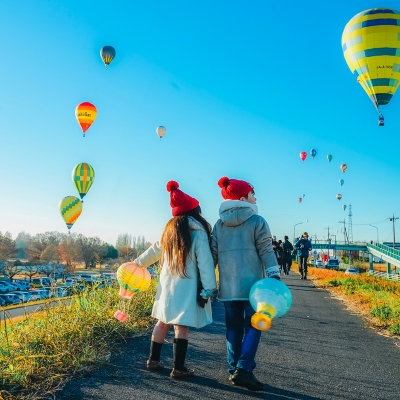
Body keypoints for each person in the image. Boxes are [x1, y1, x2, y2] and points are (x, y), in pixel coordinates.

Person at [132, 181, 216, 379]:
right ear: (195, 211)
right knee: (181, 326)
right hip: (187, 285)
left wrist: (137, 263)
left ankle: (153, 360)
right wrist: (209, 288)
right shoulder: (198, 232)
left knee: (162, 322)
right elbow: (205, 263)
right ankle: (178, 369)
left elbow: (154, 251)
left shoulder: (169, 231)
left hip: (167, 285)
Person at [211, 176, 279, 392]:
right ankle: (244, 369)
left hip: (228, 288)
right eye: (252, 193)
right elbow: (266, 250)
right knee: (255, 325)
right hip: (254, 288)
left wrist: (208, 283)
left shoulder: (219, 225)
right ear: (243, 198)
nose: (255, 197)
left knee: (233, 328)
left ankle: (234, 369)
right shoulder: (258, 222)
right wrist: (273, 275)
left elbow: (212, 256)